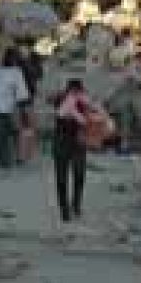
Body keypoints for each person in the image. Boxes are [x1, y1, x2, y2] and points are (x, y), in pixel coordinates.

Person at [51, 79, 103, 222]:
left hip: (74, 143)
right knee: (66, 178)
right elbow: (57, 107)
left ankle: (74, 206)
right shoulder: (62, 99)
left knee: (76, 176)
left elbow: (97, 116)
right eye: (73, 91)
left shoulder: (84, 102)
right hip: (64, 142)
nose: (75, 94)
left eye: (77, 91)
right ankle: (66, 209)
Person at [0, 50, 31, 167]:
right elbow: (22, 94)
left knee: (0, 137)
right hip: (4, 109)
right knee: (12, 135)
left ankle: (4, 161)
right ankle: (12, 160)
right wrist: (25, 112)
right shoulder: (16, 72)